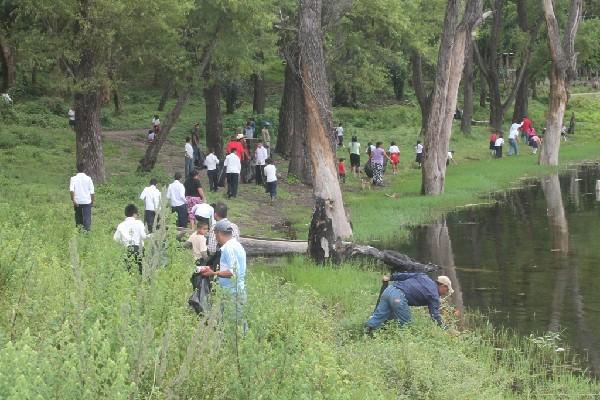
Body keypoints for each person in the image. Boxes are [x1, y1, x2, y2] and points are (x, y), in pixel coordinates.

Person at [366, 274, 454, 331]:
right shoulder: (434, 295)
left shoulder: (423, 276)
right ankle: (400, 344)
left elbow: (405, 275)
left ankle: (365, 333)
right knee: (406, 323)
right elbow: (435, 315)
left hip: (389, 290)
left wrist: (391, 277)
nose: (445, 294)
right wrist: (445, 328)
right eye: (446, 291)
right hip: (397, 298)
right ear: (443, 286)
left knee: (379, 317)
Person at [199, 220, 247, 309]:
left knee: (233, 320)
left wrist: (212, 273)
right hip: (236, 289)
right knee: (238, 320)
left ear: (219, 233)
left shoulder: (229, 248)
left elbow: (233, 272)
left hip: (232, 293)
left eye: (215, 235)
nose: (216, 238)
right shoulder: (237, 245)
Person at [113, 204, 148, 273]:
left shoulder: (121, 225)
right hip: (139, 249)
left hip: (128, 249)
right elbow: (143, 236)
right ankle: (142, 282)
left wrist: (124, 242)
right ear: (135, 214)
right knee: (142, 270)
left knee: (128, 270)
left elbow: (115, 238)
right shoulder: (139, 223)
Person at [70, 163, 95, 231]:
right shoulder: (88, 179)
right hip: (87, 201)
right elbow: (92, 192)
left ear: (77, 169)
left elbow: (72, 190)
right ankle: (87, 232)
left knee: (78, 217)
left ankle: (79, 230)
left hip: (77, 201)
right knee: (87, 217)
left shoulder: (73, 178)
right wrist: (92, 201)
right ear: (85, 169)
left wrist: (73, 200)